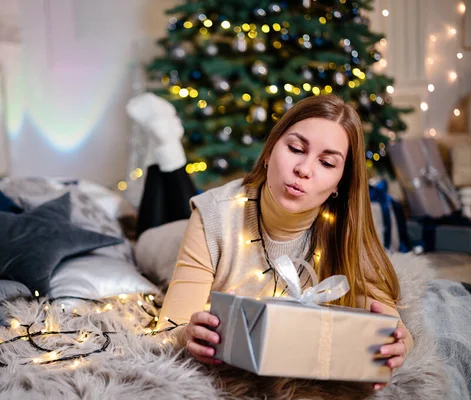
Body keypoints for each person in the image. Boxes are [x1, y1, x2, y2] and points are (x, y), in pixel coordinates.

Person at [127, 93, 412, 391]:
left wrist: (398, 338)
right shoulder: (212, 215)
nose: (304, 169)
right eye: (295, 148)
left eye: (327, 162)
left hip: (206, 223)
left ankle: (170, 154)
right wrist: (186, 334)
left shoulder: (344, 228)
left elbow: (391, 320)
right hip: (164, 243)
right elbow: (171, 325)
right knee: (149, 226)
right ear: (268, 152)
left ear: (340, 181)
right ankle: (166, 149)